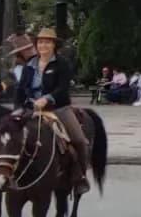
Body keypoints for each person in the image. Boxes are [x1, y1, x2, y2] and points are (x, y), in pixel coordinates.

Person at [9, 29, 91, 192]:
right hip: (30, 108)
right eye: (40, 42)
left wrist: (47, 98)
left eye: (47, 42)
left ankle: (80, 176)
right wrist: (17, 109)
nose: (43, 45)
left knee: (79, 140)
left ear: (54, 45)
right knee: (6, 135)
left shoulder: (61, 64)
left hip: (58, 108)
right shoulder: (29, 65)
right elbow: (20, 89)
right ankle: (5, 173)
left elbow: (62, 88)